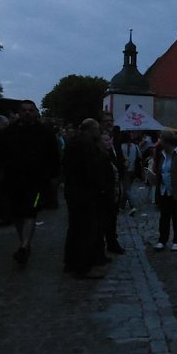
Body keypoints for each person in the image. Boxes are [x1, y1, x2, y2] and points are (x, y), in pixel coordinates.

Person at [0, 100, 60, 265]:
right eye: (24, 110)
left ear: (35, 112)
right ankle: (24, 242)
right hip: (13, 180)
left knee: (30, 211)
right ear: (19, 113)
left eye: (31, 110)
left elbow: (54, 156)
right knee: (17, 214)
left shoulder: (45, 133)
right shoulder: (7, 133)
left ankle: (25, 245)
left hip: (36, 181)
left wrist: (54, 175)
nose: (27, 113)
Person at [62, 119, 109, 278]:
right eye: (97, 129)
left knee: (75, 228)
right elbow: (91, 170)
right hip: (84, 193)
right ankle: (82, 265)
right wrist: (100, 188)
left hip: (74, 191)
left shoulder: (73, 142)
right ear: (91, 130)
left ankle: (71, 262)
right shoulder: (86, 144)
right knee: (85, 230)